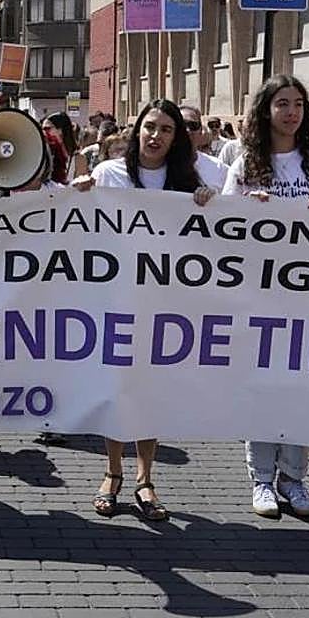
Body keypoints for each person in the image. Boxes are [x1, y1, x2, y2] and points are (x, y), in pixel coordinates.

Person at [83, 100, 215, 521]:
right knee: (117, 388)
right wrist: (79, 197)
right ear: (136, 130)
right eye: (149, 127)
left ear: (177, 138)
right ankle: (112, 472)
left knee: (151, 392)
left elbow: (228, 222)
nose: (155, 136)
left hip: (168, 302)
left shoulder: (192, 179)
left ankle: (145, 478)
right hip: (117, 299)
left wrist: (210, 205)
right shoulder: (109, 174)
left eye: (166, 130)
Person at [223, 74, 309, 519]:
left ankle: (295, 477)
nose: (291, 112)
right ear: (265, 111)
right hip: (260, 296)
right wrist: (250, 207)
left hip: (306, 297)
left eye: (299, 105)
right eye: (282, 104)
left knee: (298, 390)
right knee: (264, 387)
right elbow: (224, 225)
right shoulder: (247, 164)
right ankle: (262, 479)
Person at [178, 104, 228, 190]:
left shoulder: (220, 169)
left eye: (193, 126)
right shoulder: (155, 167)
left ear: (201, 131)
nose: (187, 130)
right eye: (182, 125)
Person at [42, 112, 88, 179]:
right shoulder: (41, 156)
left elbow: (80, 187)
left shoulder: (79, 160)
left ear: (61, 130)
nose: (43, 132)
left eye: (47, 128)